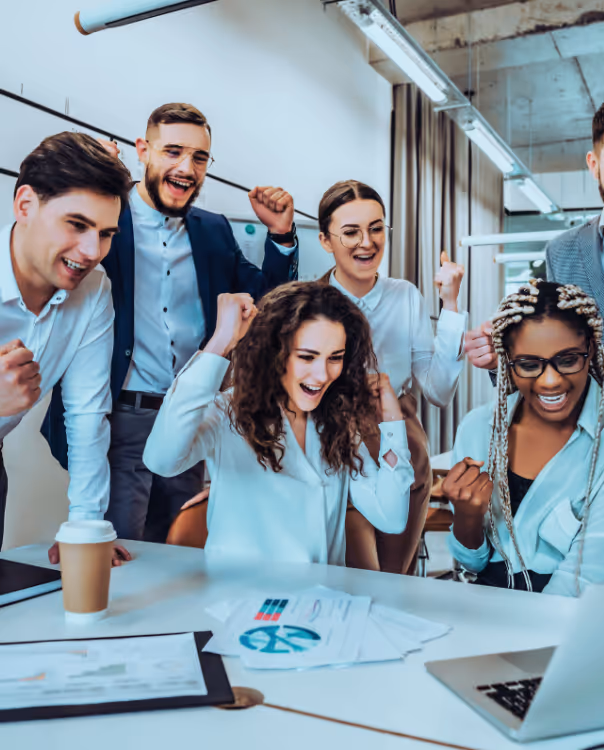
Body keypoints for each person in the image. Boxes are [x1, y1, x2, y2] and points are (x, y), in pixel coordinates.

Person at [42, 103, 299, 544]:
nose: (186, 168)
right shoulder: (107, 220)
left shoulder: (213, 230)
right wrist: (88, 179)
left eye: (199, 158)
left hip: (191, 416)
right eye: (173, 152)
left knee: (182, 545)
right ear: (143, 150)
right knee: (120, 547)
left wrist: (280, 237)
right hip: (121, 415)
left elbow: (268, 304)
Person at [464, 88, 604, 571]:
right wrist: (495, 357)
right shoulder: (561, 253)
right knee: (603, 629)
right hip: (590, 484)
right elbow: (548, 357)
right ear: (594, 162)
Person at [142, 283, 412, 565]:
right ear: (275, 352)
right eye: (307, 356)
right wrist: (220, 342)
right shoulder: (228, 411)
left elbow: (391, 517)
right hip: (243, 600)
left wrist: (392, 422)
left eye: (335, 358)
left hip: (321, 602)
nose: (321, 375)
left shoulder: (337, 423)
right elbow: (161, 460)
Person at [447, 281, 604, 596]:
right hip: (492, 608)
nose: (550, 381)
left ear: (590, 350)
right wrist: (468, 517)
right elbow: (473, 563)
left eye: (567, 360)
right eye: (528, 365)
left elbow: (592, 574)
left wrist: (520, 641)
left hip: (583, 617)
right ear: (507, 361)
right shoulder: (478, 427)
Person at [317, 180, 465, 574]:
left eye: (376, 228)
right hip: (329, 442)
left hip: (398, 438)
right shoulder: (308, 300)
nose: (366, 242)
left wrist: (450, 305)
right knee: (354, 573)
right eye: (350, 232)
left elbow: (438, 390)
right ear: (325, 240)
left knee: (393, 575)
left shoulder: (406, 296)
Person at [0, 132, 132, 564]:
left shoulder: (94, 290)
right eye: (76, 224)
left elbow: (87, 415)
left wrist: (86, 526)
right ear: (25, 205)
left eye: (106, 233)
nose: (93, 251)